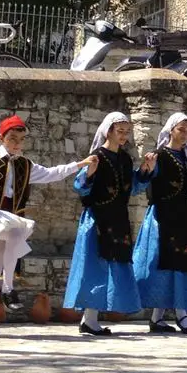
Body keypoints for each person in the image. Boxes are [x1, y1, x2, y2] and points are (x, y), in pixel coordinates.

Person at [0, 104, 94, 337]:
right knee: (17, 231)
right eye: (12, 138)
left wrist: (79, 164)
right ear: (1, 137)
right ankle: (8, 289)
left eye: (21, 140)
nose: (17, 144)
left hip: (7, 219)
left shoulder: (26, 165)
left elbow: (52, 173)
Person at [63, 112, 156, 336]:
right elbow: (80, 186)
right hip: (97, 219)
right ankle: (90, 319)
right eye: (120, 131)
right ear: (109, 131)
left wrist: (145, 171)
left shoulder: (124, 159)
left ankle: (90, 319)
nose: (123, 135)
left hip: (118, 218)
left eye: (126, 131)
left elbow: (132, 187)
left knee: (111, 265)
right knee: (96, 267)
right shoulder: (96, 156)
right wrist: (90, 173)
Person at [132, 112, 187, 335]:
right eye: (181, 129)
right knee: (163, 263)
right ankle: (178, 314)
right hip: (162, 216)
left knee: (181, 262)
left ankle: (162, 316)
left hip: (182, 215)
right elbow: (144, 182)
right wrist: (147, 170)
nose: (185, 134)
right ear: (171, 130)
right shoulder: (159, 155)